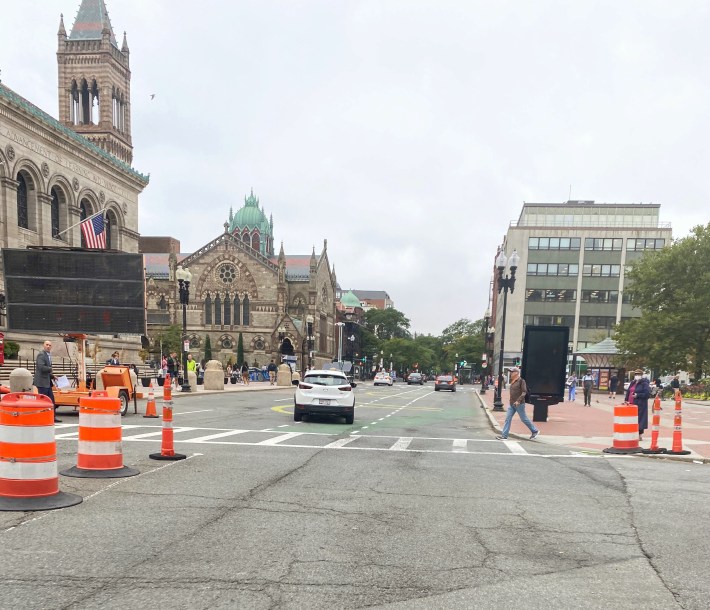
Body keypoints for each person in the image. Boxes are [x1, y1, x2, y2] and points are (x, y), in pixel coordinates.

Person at [496, 367, 539, 440]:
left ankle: (535, 431)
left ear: (516, 373)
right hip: (512, 404)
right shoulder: (513, 381)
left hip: (519, 404)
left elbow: (524, 392)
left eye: (512, 372)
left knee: (523, 419)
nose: (511, 373)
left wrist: (518, 401)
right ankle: (504, 435)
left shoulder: (521, 381)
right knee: (508, 419)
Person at [33, 339, 61, 423]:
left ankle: (52, 417)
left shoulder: (48, 355)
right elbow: (41, 367)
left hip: (47, 382)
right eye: (47, 345)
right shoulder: (41, 355)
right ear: (43, 345)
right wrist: (50, 369)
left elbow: (46, 370)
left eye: (49, 345)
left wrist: (53, 376)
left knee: (51, 400)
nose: (48, 346)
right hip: (42, 382)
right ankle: (42, 417)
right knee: (43, 401)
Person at [625, 368, 651, 440]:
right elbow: (629, 391)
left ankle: (639, 434)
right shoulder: (633, 382)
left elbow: (647, 394)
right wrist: (626, 400)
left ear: (641, 375)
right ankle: (631, 433)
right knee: (631, 419)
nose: (637, 375)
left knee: (640, 419)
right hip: (631, 403)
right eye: (636, 374)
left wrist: (638, 395)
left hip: (640, 404)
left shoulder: (644, 383)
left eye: (638, 374)